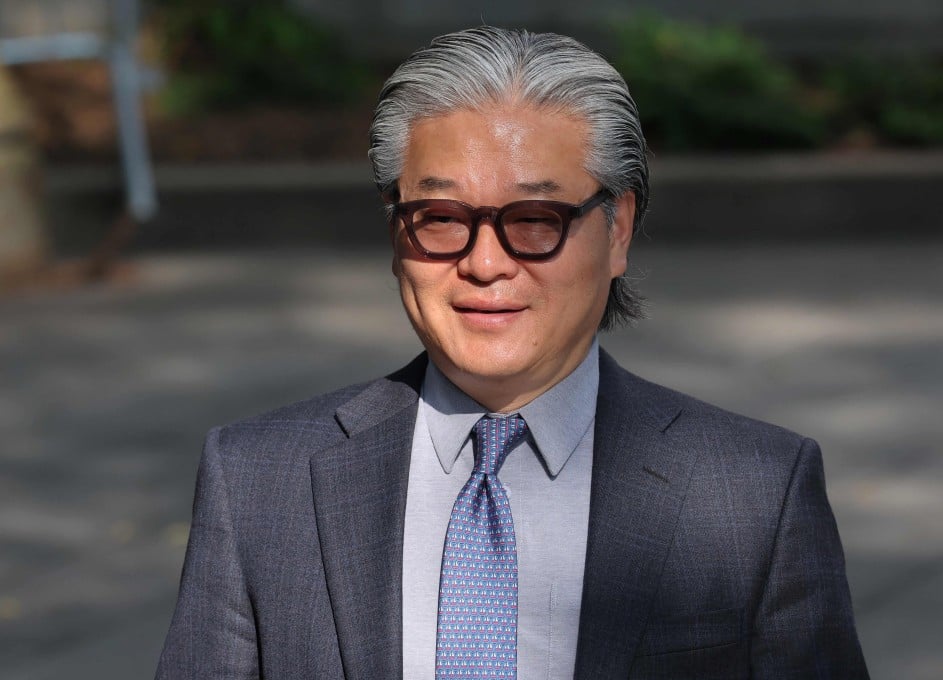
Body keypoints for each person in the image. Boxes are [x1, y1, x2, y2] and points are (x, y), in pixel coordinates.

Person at [156, 26, 869, 680]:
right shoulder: (259, 482)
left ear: (618, 229)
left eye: (534, 219)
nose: (485, 263)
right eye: (440, 218)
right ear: (396, 231)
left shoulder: (751, 495)